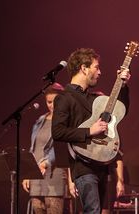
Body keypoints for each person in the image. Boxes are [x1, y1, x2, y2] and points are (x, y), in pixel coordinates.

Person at [52, 48, 131, 213]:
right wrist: (89, 131)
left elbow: (120, 111)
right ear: (83, 68)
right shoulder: (64, 98)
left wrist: (123, 85)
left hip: (102, 163)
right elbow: (57, 132)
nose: (100, 72)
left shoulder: (96, 98)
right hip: (83, 165)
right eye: (96, 67)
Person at [22, 83, 67, 214]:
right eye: (49, 102)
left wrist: (46, 163)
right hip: (36, 175)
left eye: (55, 102)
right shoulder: (40, 120)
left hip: (54, 174)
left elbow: (60, 146)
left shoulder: (65, 121)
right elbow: (33, 148)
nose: (52, 105)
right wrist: (27, 173)